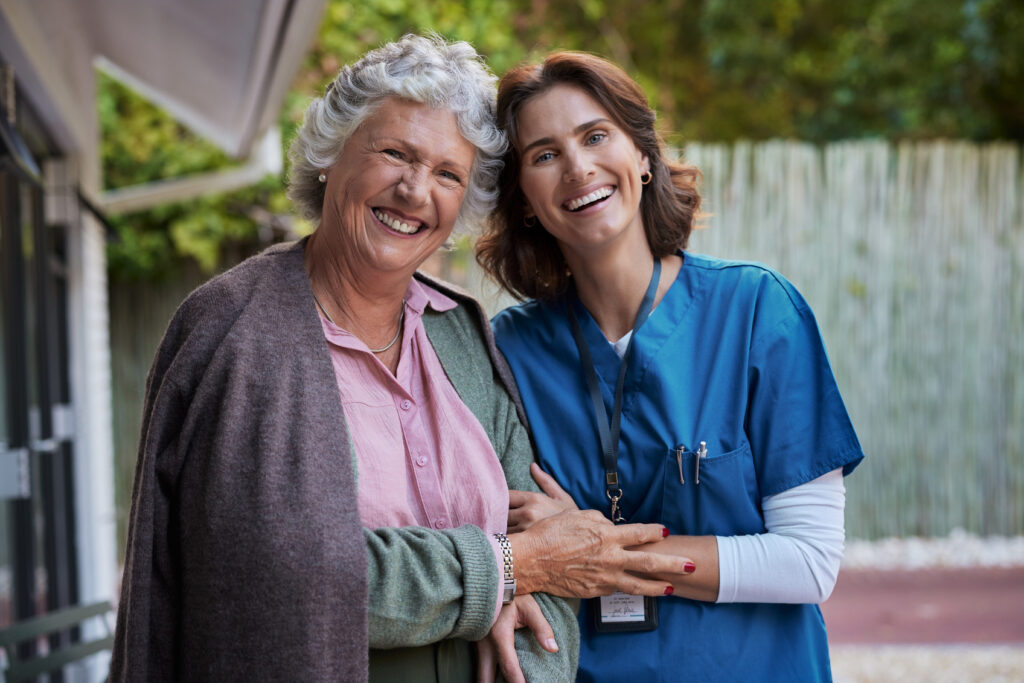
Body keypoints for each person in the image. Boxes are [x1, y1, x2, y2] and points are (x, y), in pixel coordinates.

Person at [111, 36, 690, 683]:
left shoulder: (460, 331)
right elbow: (290, 576)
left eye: (448, 174)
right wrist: (508, 568)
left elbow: (550, 568)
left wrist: (530, 591)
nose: (417, 190)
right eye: (395, 153)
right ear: (330, 155)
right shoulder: (238, 331)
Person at [477, 51, 866, 682]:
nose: (578, 168)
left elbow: (809, 561)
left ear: (643, 157)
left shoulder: (758, 312)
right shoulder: (506, 353)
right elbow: (502, 544)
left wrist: (591, 550)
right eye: (543, 155)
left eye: (596, 136)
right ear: (523, 199)